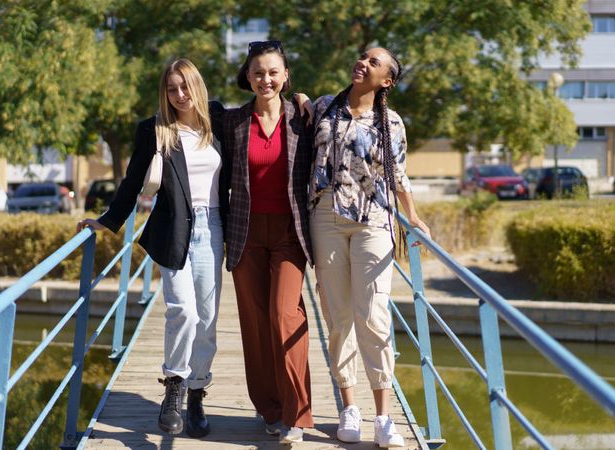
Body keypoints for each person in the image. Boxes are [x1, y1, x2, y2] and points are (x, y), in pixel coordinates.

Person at [76, 58, 228, 439]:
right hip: (173, 228)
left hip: (213, 229)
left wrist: (302, 101)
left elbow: (262, 116)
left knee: (207, 321)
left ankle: (197, 395)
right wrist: (109, 220)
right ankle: (173, 388)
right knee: (184, 313)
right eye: (172, 88)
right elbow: (130, 183)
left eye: (185, 87)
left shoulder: (219, 120)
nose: (179, 95)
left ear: (197, 86)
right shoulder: (155, 129)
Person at [308, 47, 431, 448]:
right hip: (326, 217)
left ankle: (383, 416)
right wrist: (299, 99)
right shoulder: (326, 107)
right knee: (339, 318)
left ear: (387, 81)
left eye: (374, 62)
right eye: (362, 56)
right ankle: (349, 407)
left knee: (374, 317)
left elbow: (399, 175)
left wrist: (412, 216)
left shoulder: (392, 122)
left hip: (374, 223)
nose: (363, 62)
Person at [222, 40, 314, 445]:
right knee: (256, 325)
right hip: (244, 233)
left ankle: (297, 413)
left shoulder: (304, 117)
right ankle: (270, 410)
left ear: (286, 75)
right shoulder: (233, 122)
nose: (266, 79)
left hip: (289, 233)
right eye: (258, 72)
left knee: (284, 316)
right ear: (247, 76)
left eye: (274, 72)